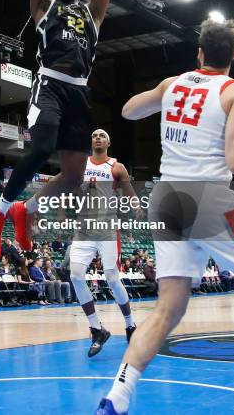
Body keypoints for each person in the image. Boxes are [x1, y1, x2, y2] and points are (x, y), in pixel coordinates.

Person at [96, 19, 234, 414]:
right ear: (233, 55)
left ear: (199, 52)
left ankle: (117, 396)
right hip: (208, 199)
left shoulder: (173, 83)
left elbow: (127, 111)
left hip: (166, 198)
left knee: (168, 308)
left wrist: (165, 98)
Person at [0, 0, 112, 259]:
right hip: (50, 83)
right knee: (41, 148)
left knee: (72, 176)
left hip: (80, 92)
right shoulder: (44, 8)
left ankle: (27, 209)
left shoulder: (93, 14)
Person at [68, 129, 138, 357]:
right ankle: (97, 329)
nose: (98, 137)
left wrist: (137, 208)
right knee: (76, 276)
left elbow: (130, 194)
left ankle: (130, 324)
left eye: (102, 135)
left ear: (108, 142)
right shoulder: (81, 165)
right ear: (91, 141)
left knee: (112, 278)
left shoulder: (117, 167)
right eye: (94, 135)